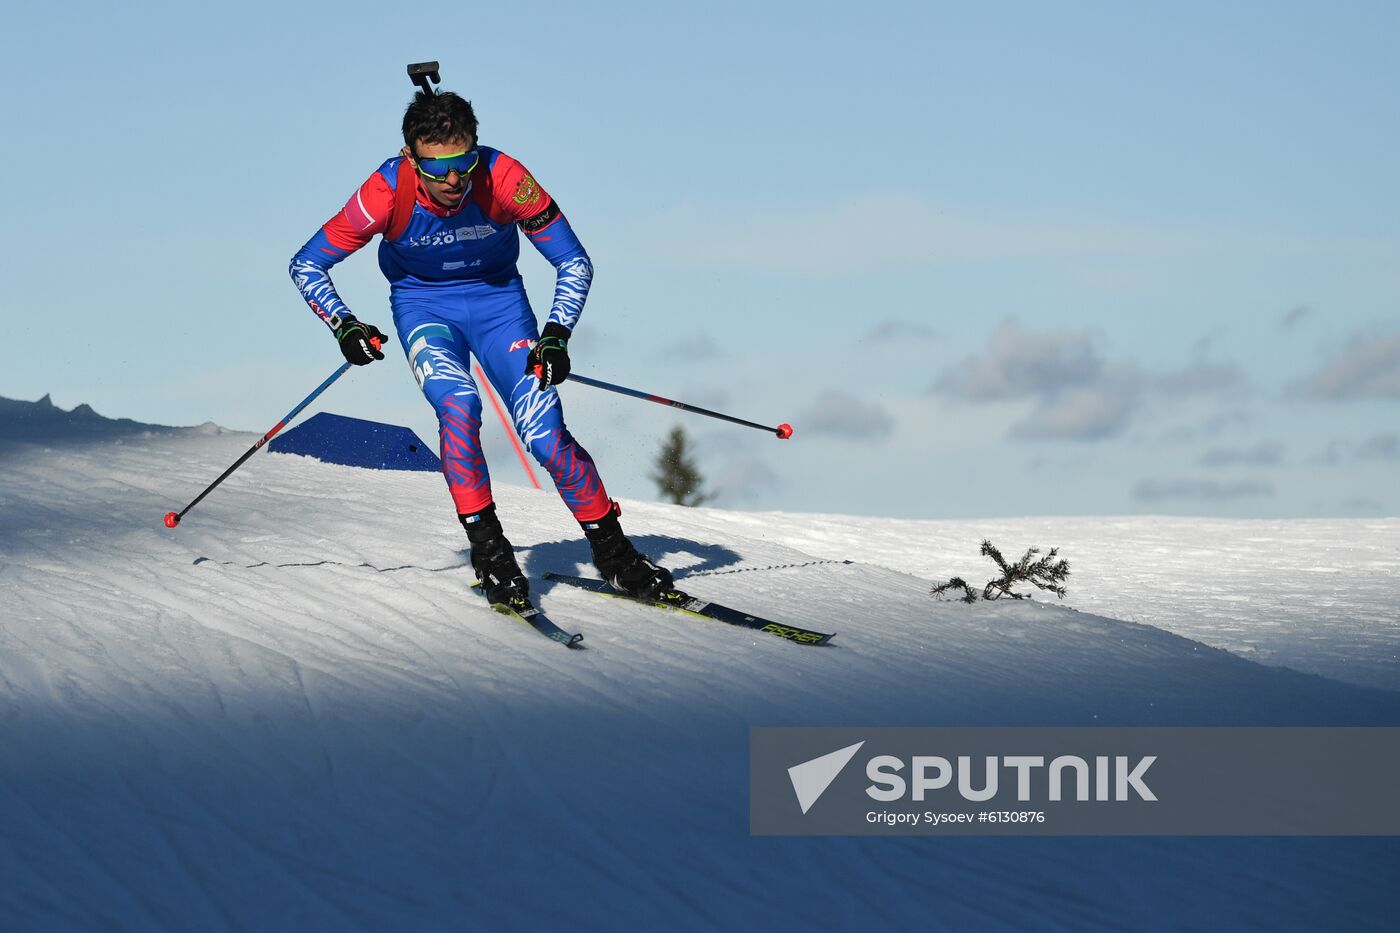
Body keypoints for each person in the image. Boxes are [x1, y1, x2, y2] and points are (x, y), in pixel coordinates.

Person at [289, 89, 672, 606]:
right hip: (425, 309)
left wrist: (557, 332)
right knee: (459, 406)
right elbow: (307, 262)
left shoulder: (506, 178)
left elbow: (574, 262)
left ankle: (615, 556)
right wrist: (344, 325)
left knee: (545, 436)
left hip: (500, 306)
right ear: (410, 158)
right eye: (437, 167)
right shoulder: (385, 190)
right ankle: (491, 554)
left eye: (464, 161)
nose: (453, 179)